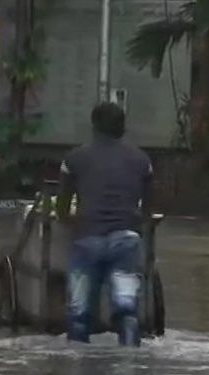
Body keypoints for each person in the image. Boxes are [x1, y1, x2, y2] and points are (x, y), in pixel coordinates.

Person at [56, 102, 154, 347]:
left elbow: (62, 208)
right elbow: (148, 210)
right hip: (126, 239)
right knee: (126, 310)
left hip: (87, 238)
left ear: (94, 126)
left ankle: (78, 369)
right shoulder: (142, 161)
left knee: (79, 313)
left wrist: (73, 224)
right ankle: (130, 361)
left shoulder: (74, 158)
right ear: (123, 127)